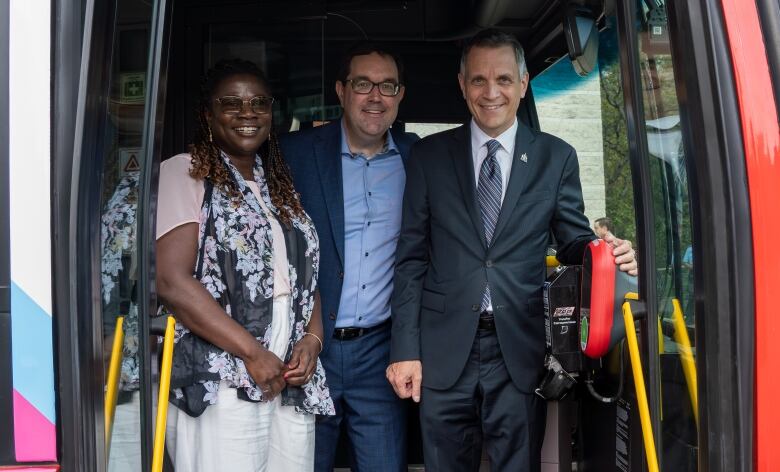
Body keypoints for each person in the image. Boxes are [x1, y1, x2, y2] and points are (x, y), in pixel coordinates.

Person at [386, 29, 637, 472]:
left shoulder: (556, 157)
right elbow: (410, 259)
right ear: (462, 86)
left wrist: (607, 252)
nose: (491, 92)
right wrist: (405, 349)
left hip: (518, 349)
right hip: (442, 351)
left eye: (503, 79)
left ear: (523, 84)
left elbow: (573, 242)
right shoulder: (428, 156)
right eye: (479, 80)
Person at [155, 59, 334, 472]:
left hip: (289, 376)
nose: (247, 113)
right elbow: (171, 281)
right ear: (208, 113)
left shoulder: (278, 185)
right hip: (224, 376)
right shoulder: (186, 173)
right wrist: (253, 353)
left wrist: (312, 340)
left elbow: (303, 277)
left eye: (258, 103)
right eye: (231, 104)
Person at [280, 44, 417, 472]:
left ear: (399, 95)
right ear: (341, 91)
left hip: (380, 353)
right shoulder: (294, 153)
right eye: (363, 84)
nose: (375, 97)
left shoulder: (421, 158)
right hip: (303, 349)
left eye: (387, 86)